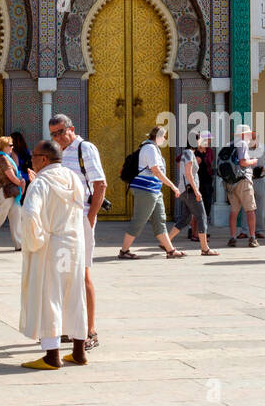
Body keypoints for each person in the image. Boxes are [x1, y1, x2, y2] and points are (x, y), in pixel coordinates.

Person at [19, 140, 88, 370]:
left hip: (52, 245)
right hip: (73, 243)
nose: (31, 159)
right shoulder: (72, 178)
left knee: (51, 297)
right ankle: (79, 351)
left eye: (34, 155)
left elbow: (29, 213)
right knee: (75, 294)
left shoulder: (41, 183)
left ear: (44, 159)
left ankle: (52, 355)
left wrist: (35, 239)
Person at [50, 113, 106, 351]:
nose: (58, 137)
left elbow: (100, 184)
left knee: (83, 275)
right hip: (63, 221)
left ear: (71, 129)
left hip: (80, 220)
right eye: (53, 134)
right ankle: (68, 328)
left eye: (61, 132)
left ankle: (90, 330)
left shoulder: (85, 148)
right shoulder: (57, 153)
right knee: (63, 274)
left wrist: (90, 217)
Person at [119, 126, 184, 259]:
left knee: (160, 220)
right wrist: (173, 186)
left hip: (154, 189)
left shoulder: (154, 149)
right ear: (158, 136)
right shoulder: (149, 148)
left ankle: (170, 250)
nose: (165, 139)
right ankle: (124, 251)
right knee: (139, 219)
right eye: (164, 136)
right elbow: (156, 170)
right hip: (145, 189)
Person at [168, 138, 219, 256]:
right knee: (202, 217)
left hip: (184, 191)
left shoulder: (185, 154)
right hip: (190, 190)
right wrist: (197, 191)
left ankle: (166, 242)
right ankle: (205, 248)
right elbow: (189, 173)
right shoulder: (190, 154)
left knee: (185, 218)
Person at [226, 125, 260, 248]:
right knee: (250, 210)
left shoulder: (229, 144)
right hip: (243, 180)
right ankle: (252, 237)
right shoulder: (243, 144)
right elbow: (243, 162)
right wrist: (253, 161)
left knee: (234, 212)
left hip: (230, 182)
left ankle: (232, 237)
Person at [0, 137, 23, 248]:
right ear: (4, 146)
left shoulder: (5, 157)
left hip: (10, 192)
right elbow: (9, 174)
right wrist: (20, 183)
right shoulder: (3, 158)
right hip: (5, 192)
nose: (12, 147)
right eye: (10, 145)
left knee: (16, 217)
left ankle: (19, 244)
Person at [249, 131, 265, 240]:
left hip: (260, 179)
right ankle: (245, 231)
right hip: (248, 179)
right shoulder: (246, 149)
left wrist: (264, 168)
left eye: (253, 139)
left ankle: (259, 230)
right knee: (247, 206)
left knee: (260, 206)